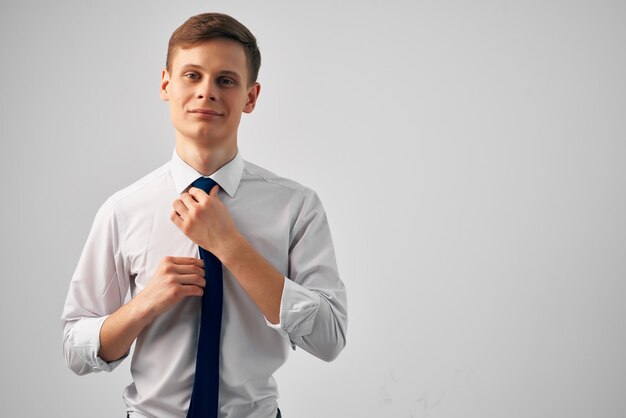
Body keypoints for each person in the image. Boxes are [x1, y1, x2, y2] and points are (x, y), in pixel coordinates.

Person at [61, 12, 347, 418]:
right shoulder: (124, 209)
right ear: (166, 84)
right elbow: (75, 348)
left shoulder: (296, 207)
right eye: (192, 75)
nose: (207, 92)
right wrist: (143, 305)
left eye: (225, 80)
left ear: (250, 96)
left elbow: (330, 339)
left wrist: (229, 247)